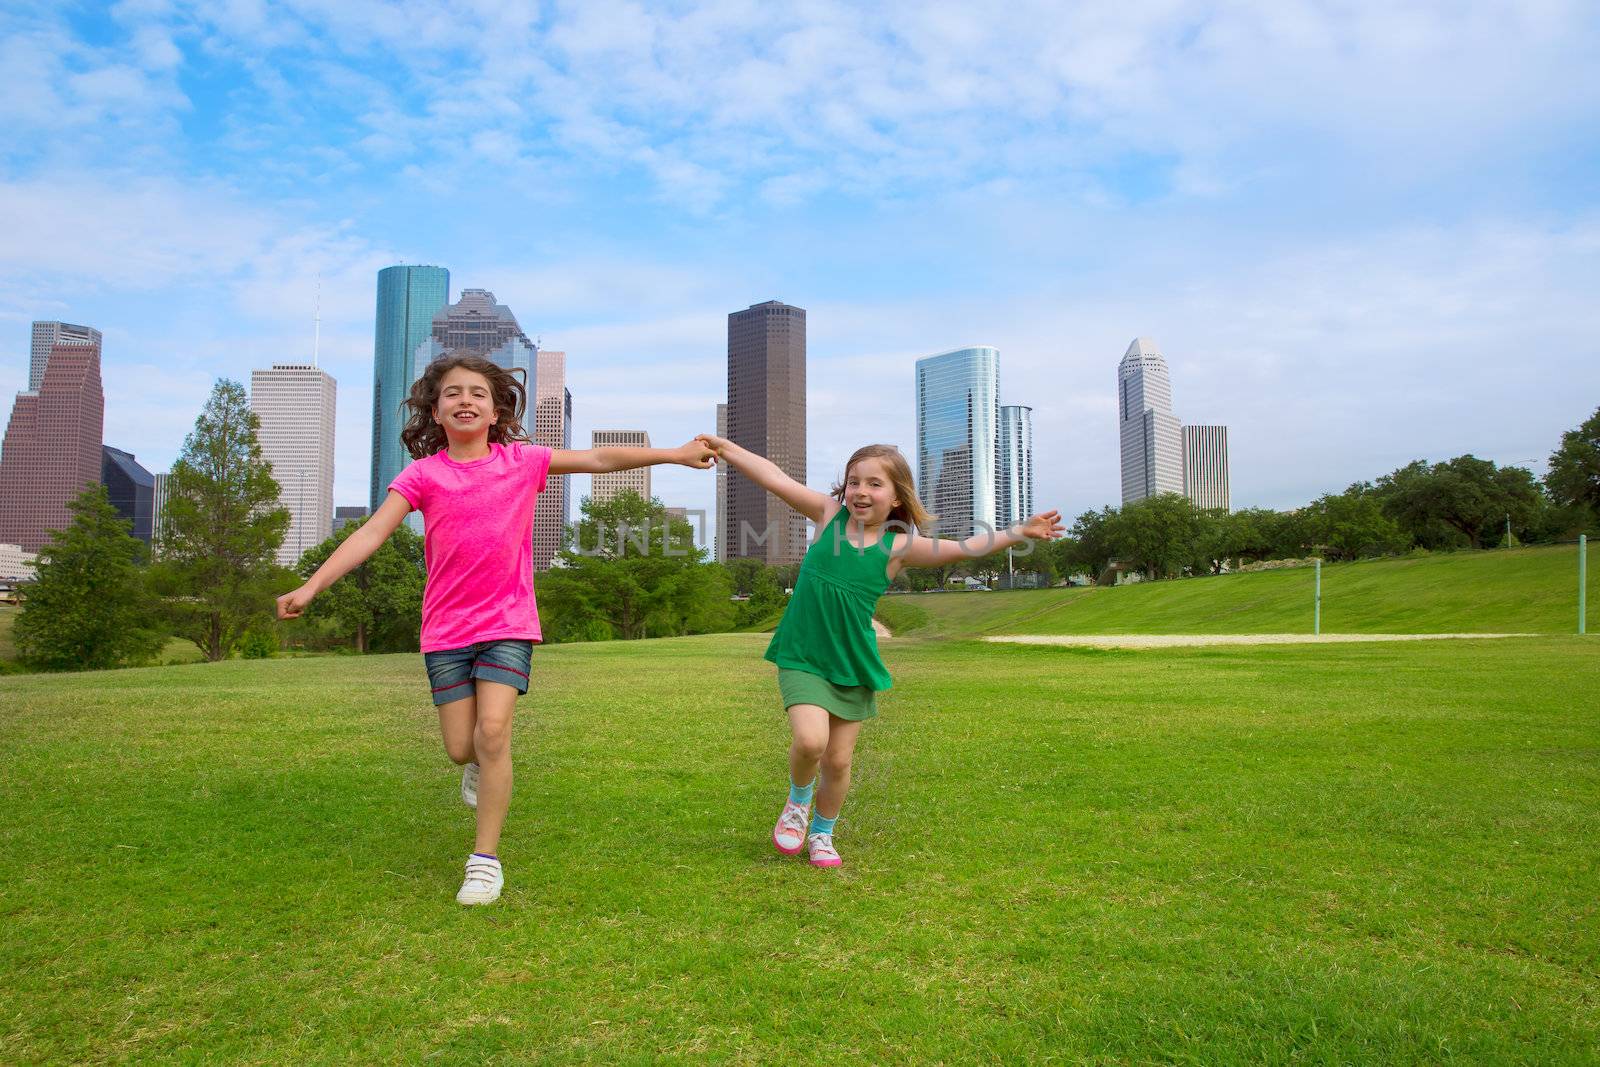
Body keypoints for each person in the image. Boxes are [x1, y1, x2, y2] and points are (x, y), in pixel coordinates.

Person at [279, 354, 714, 905]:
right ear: (434, 411)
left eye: (478, 393)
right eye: (453, 393)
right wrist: (311, 586)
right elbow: (371, 535)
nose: (466, 400)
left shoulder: (521, 461)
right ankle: (480, 769)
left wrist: (674, 454)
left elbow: (600, 458)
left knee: (493, 733)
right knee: (462, 748)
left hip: (508, 621)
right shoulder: (422, 475)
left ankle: (484, 861)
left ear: (496, 408)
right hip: (445, 629)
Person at [697, 436, 1063, 868]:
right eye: (854, 482)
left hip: (852, 661)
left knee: (838, 760)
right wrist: (728, 449)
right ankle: (797, 804)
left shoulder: (898, 546)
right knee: (811, 741)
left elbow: (964, 547)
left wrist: (1019, 531)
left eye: (874, 484)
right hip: (803, 654)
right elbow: (775, 478)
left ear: (896, 498)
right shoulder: (828, 515)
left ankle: (822, 833)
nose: (861, 492)